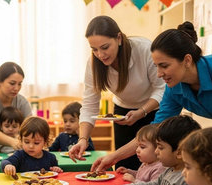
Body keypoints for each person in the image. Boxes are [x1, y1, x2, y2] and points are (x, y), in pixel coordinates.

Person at [92, 21, 212, 174]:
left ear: (187, 60)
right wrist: (113, 157)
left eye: (164, 66)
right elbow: (155, 129)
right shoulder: (174, 89)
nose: (159, 74)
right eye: (156, 66)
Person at [68, 16, 165, 169]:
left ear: (119, 38)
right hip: (123, 113)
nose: (100, 54)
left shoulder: (145, 49)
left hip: (154, 109)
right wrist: (83, 139)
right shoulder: (93, 63)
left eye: (105, 47)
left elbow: (162, 89)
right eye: (94, 49)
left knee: (154, 165)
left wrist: (142, 111)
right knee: (124, 166)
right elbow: (89, 104)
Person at [105, 116, 202, 185]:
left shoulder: (191, 178)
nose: (156, 152)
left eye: (160, 147)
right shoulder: (170, 170)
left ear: (178, 153)